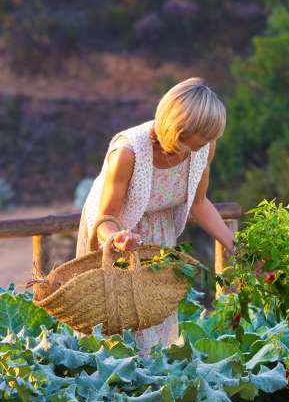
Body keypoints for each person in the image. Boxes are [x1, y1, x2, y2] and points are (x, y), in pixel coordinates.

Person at [76, 77, 236, 355]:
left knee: (155, 317)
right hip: (117, 235)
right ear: (180, 129)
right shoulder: (128, 152)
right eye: (201, 139)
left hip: (159, 233)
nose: (206, 146)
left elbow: (198, 203)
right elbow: (105, 218)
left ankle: (153, 385)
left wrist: (234, 245)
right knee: (117, 321)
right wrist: (118, 239)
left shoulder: (204, 147)